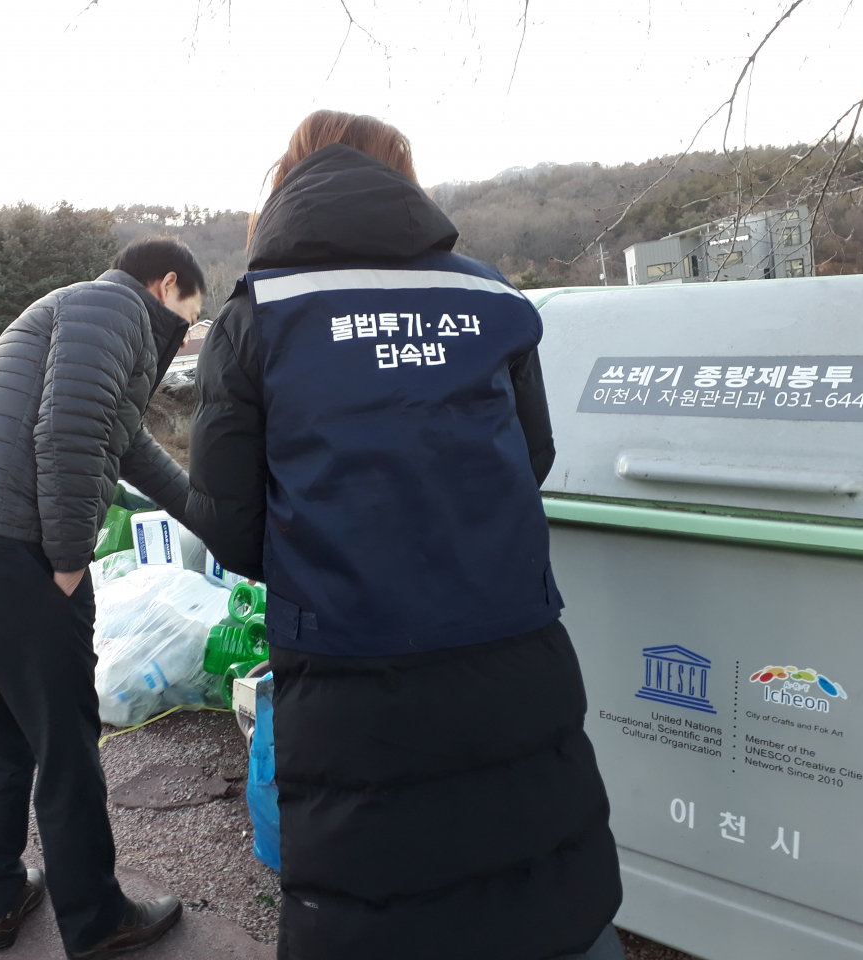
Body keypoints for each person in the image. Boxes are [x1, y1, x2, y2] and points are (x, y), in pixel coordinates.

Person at [186, 111, 624, 959]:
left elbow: (232, 529)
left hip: (352, 676)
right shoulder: (489, 296)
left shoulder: (260, 313)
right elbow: (528, 461)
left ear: (289, 181)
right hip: (512, 651)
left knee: (378, 908)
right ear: (402, 180)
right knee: (543, 885)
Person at [0, 238, 203, 957]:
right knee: (67, 746)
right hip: (10, 558)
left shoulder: (74, 315)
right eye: (191, 315)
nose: (187, 332)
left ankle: (0, 898)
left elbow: (128, 444)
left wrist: (221, 524)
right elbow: (68, 433)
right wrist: (70, 559)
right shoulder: (113, 307)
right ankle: (98, 921)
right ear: (166, 285)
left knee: (4, 741)